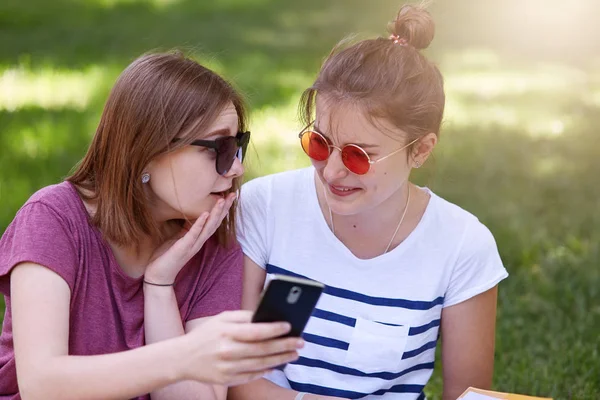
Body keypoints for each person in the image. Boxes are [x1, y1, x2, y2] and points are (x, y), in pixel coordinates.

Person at [230, 4, 508, 400]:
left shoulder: (463, 245)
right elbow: (231, 374)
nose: (331, 172)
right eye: (319, 143)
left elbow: (468, 395)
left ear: (421, 150)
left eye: (359, 155)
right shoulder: (265, 206)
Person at [0, 51, 303, 400]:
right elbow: (42, 385)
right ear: (148, 150)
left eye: (237, 146)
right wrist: (184, 356)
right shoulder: (53, 219)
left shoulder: (213, 242)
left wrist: (159, 286)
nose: (236, 169)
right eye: (218, 148)